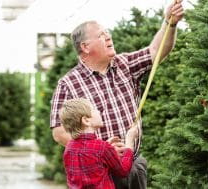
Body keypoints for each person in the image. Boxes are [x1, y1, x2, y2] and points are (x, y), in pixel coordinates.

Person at [50, 0, 184, 188]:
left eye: (107, 32)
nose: (108, 36)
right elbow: (59, 132)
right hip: (100, 173)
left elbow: (156, 50)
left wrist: (170, 23)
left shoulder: (125, 64)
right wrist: (100, 150)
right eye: (101, 35)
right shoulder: (68, 84)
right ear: (85, 47)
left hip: (134, 165)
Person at [60, 98, 138, 189]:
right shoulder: (102, 148)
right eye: (94, 109)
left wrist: (107, 147)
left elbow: (89, 161)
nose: (98, 111)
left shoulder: (69, 147)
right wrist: (129, 143)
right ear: (86, 120)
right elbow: (123, 171)